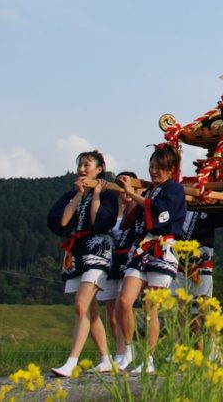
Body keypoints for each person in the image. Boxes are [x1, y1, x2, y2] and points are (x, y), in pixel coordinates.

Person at [115, 143, 188, 373]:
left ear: (171, 169)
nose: (154, 171)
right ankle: (128, 351)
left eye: (159, 167)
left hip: (163, 248)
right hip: (142, 248)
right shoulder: (149, 191)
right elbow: (136, 216)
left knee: (150, 306)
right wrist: (130, 199)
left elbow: (158, 212)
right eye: (152, 166)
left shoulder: (175, 189)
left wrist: (134, 195)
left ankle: (148, 360)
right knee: (124, 301)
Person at [47, 151, 118, 377]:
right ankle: (106, 358)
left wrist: (96, 195)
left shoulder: (108, 194)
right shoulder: (70, 194)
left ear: (99, 169)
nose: (82, 169)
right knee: (90, 308)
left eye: (87, 165)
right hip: (76, 251)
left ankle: (72, 360)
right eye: (80, 165)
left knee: (81, 303)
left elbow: (100, 222)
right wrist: (78, 196)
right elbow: (61, 223)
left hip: (98, 248)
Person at [96, 171, 140, 369]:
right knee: (112, 315)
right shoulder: (112, 210)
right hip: (110, 260)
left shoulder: (136, 209)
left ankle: (125, 352)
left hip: (128, 258)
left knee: (124, 306)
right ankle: (120, 351)